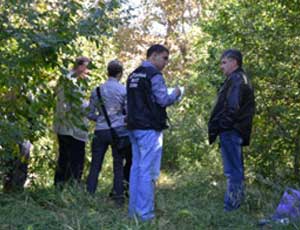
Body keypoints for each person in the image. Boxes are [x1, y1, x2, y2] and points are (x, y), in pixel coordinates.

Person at [126, 44, 181, 221]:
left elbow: (128, 104)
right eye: (165, 58)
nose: (166, 62)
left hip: (133, 127)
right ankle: (145, 214)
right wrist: (177, 93)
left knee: (136, 168)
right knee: (146, 170)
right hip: (149, 128)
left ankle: (133, 211)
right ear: (154, 55)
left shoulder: (133, 74)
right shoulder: (153, 75)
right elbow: (163, 100)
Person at [208, 49, 255, 211]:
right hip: (234, 130)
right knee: (236, 170)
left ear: (234, 62)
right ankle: (236, 205)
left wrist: (222, 126)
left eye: (224, 62)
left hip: (231, 131)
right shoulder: (239, 78)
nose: (221, 67)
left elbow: (232, 108)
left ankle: (231, 208)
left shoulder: (236, 79)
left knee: (233, 171)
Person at [86, 60, 132, 206]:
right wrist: (120, 119)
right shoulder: (123, 90)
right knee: (118, 164)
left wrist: (99, 118)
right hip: (118, 131)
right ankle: (118, 197)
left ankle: (89, 194)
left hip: (100, 131)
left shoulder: (97, 90)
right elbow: (129, 114)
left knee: (95, 164)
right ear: (120, 73)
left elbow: (89, 113)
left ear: (107, 72)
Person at [53, 56, 91, 187]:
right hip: (73, 128)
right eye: (88, 67)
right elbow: (78, 105)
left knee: (63, 157)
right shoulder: (73, 82)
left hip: (61, 125)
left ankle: (59, 186)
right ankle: (72, 188)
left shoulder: (63, 78)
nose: (88, 71)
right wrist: (92, 105)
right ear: (81, 66)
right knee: (75, 160)